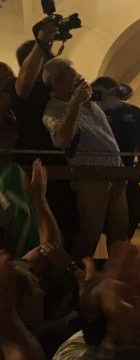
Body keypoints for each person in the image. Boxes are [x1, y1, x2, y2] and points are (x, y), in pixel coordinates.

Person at [41, 58, 127, 261]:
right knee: (90, 233)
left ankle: (117, 271)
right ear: (56, 82)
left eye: (79, 77)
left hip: (116, 173)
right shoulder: (53, 110)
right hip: (90, 177)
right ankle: (76, 274)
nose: (80, 81)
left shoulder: (92, 103)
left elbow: (122, 95)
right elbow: (62, 139)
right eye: (73, 78)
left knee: (119, 231)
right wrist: (75, 104)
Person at [10, 19, 80, 251]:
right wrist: (42, 40)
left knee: (66, 230)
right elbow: (24, 83)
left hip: (59, 167)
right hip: (34, 170)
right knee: (39, 235)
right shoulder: (23, 91)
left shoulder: (54, 93)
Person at [91, 77, 140, 238]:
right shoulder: (93, 112)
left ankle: (121, 245)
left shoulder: (134, 111)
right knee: (97, 218)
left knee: (132, 214)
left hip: (127, 168)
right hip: (101, 170)